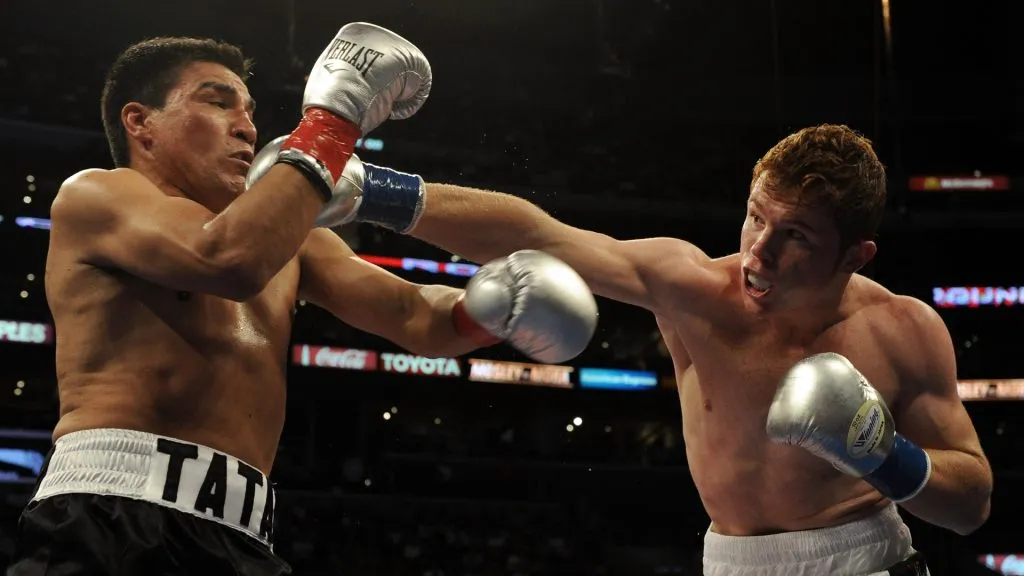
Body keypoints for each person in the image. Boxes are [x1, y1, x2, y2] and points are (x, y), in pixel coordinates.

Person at [7, 24, 597, 576]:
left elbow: (415, 316)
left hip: (242, 537)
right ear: (140, 121)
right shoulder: (97, 196)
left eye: (249, 111)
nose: (245, 126)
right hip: (112, 514)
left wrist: (488, 309)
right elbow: (227, 261)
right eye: (218, 102)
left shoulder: (294, 245)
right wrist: (332, 122)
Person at [304, 123, 994, 575]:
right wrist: (374, 191)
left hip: (866, 559)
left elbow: (972, 505)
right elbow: (544, 236)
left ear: (856, 254)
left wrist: (885, 455)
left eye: (798, 237)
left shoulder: (902, 331)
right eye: (757, 216)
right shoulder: (694, 288)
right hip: (729, 562)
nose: (760, 250)